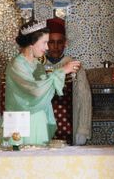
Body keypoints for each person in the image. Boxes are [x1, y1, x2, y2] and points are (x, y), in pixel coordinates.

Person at [5, 20, 80, 145]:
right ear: (31, 43)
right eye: (44, 42)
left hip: (38, 119)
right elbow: (35, 90)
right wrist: (61, 71)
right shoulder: (16, 65)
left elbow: (46, 89)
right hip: (20, 123)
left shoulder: (37, 64)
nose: (47, 47)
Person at [45, 17, 92, 145]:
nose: (55, 47)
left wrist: (82, 130)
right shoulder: (38, 66)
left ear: (65, 43)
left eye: (59, 42)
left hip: (70, 125)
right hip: (43, 128)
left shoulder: (74, 65)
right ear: (45, 43)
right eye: (51, 42)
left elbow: (85, 99)